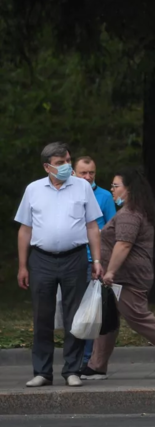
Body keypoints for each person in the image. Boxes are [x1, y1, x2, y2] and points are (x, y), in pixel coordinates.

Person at [14, 142, 103, 388]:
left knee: (74, 316)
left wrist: (96, 260)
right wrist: (23, 265)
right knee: (42, 315)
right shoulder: (33, 190)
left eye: (67, 161)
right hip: (41, 258)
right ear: (47, 167)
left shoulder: (82, 187)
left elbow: (92, 226)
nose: (65, 166)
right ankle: (42, 371)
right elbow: (25, 229)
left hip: (74, 256)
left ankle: (72, 370)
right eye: (60, 163)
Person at [80, 168, 155, 380]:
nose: (112, 190)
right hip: (121, 277)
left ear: (128, 189)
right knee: (107, 319)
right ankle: (96, 366)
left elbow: (124, 245)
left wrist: (110, 272)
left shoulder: (130, 214)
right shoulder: (133, 211)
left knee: (138, 318)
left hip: (126, 278)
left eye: (115, 186)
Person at [73, 156, 117, 366]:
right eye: (83, 173)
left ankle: (87, 360)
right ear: (74, 173)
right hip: (71, 259)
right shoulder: (67, 193)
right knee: (73, 310)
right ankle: (75, 358)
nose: (88, 177)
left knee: (91, 311)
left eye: (91, 173)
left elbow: (112, 228)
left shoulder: (105, 196)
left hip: (95, 260)